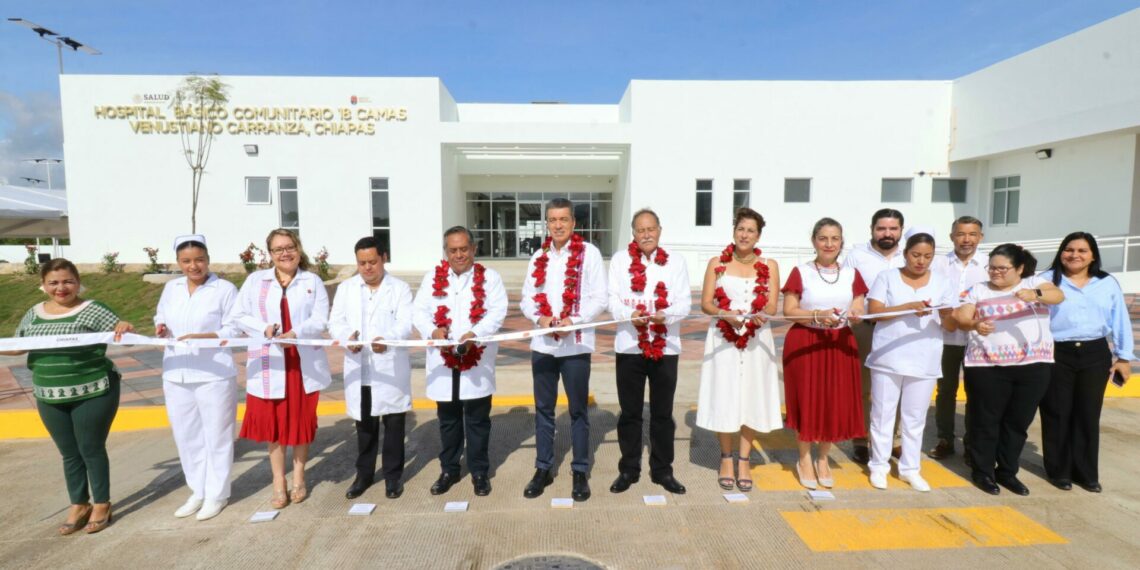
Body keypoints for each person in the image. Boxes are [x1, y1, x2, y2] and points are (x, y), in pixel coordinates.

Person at [3, 259, 134, 534]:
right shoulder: (34, 313)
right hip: (48, 394)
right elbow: (18, 346)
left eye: (67, 281)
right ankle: (79, 503)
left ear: (77, 282)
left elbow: (122, 333)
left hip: (93, 390)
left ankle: (101, 503)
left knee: (90, 448)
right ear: (43, 285)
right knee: (69, 453)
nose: (61, 288)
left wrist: (124, 326)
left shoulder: (93, 309)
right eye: (53, 282)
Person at [231, 228, 331, 509]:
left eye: (289, 247)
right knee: (273, 424)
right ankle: (279, 480)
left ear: (298, 249)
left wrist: (296, 333)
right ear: (270, 254)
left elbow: (321, 319)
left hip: (300, 362)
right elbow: (238, 315)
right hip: (269, 360)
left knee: (299, 421)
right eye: (278, 249)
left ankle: (299, 475)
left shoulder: (312, 281)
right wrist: (264, 329)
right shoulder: (255, 281)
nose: (285, 253)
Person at [954, 243, 1063, 496]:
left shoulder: (1034, 282)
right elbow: (962, 316)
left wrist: (1035, 294)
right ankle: (983, 472)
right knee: (986, 421)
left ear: (1020, 268)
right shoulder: (978, 289)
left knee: (1017, 422)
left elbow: (1057, 295)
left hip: (1032, 365)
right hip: (987, 366)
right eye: (992, 268)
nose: (995, 273)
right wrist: (974, 324)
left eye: (1003, 269)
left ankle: (1007, 471)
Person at [519, 198, 608, 502]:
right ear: (547, 223)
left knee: (578, 410)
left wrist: (573, 320)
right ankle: (543, 467)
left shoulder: (589, 254)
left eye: (564, 219)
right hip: (543, 344)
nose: (558, 225)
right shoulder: (538, 256)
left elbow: (600, 298)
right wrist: (540, 317)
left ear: (573, 223)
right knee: (544, 409)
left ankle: (580, 470)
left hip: (575, 345)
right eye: (553, 220)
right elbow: (527, 298)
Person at [412, 226, 508, 497]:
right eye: (452, 250)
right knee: (448, 420)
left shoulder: (490, 278)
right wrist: (433, 331)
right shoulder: (433, 277)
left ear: (473, 249)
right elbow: (419, 311)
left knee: (478, 421)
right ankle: (449, 469)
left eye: (463, 249)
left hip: (475, 359)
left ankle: (479, 471)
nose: (459, 254)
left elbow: (497, 311)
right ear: (446, 252)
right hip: (443, 362)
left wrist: (474, 334)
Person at [1039, 232, 1134, 493]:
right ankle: (1059, 471)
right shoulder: (1045, 281)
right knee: (1057, 412)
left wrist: (1124, 357)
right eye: (1069, 249)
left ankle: (1086, 473)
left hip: (1094, 353)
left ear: (1093, 255)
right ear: (1061, 252)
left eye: (1082, 250)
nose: (1075, 255)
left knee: (1088, 413)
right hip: (1056, 351)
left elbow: (1120, 320)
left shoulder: (1106, 283)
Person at [695, 207, 781, 492]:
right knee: (726, 394)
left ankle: (745, 459)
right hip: (724, 337)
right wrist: (724, 313)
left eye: (751, 231)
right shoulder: (716, 263)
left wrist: (761, 315)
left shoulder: (770, 264)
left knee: (752, 396)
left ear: (758, 236)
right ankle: (726, 458)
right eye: (741, 229)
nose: (745, 235)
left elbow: (770, 305)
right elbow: (706, 303)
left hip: (757, 339)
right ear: (734, 231)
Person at [154, 235, 239, 521]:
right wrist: (161, 327)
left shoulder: (224, 289)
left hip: (214, 373)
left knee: (217, 435)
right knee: (187, 436)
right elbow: (160, 316)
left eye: (199, 260)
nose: (194, 266)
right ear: (178, 263)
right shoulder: (171, 288)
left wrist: (208, 336)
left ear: (208, 259)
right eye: (187, 261)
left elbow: (235, 329)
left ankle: (217, 494)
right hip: (176, 372)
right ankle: (198, 491)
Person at [607, 208, 692, 495]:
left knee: (663, 414)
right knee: (630, 413)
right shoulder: (620, 261)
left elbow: (684, 303)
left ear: (659, 230)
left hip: (665, 347)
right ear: (633, 233)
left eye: (651, 229)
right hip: (629, 347)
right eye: (640, 230)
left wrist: (663, 316)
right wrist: (630, 314)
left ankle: (662, 471)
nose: (646, 234)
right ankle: (629, 469)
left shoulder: (675, 262)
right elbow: (613, 299)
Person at [865, 230, 955, 491]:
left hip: (925, 359)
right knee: (882, 414)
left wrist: (952, 315)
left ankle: (910, 468)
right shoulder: (887, 277)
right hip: (887, 357)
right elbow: (875, 313)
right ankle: (879, 465)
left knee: (915, 418)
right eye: (916, 255)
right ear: (905, 254)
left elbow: (948, 323)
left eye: (927, 256)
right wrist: (908, 307)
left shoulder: (942, 282)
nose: (921, 261)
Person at [781, 218, 867, 489]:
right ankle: (804, 457)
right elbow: (789, 311)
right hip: (806, 342)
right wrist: (817, 315)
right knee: (807, 400)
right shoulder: (801, 272)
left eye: (835, 239)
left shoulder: (853, 274)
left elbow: (858, 308)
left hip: (839, 343)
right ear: (814, 241)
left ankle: (823, 458)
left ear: (842, 242)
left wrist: (856, 316)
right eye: (823, 238)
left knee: (832, 401)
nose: (829, 244)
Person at [329, 236, 414, 500]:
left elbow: (405, 323)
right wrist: (348, 338)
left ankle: (392, 477)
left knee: (394, 424)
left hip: (389, 367)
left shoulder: (399, 288)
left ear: (384, 258)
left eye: (372, 262)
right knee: (365, 427)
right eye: (362, 263)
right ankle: (363, 475)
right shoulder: (347, 289)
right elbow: (336, 322)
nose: (367, 268)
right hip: (360, 366)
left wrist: (386, 339)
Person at [843, 208, 905, 464]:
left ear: (901, 230)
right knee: (864, 388)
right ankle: (860, 439)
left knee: (898, 385)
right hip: (866, 329)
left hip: (901, 331)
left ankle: (894, 439)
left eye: (893, 228)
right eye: (881, 228)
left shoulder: (910, 255)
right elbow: (847, 291)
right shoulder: (857, 256)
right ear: (872, 230)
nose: (887, 233)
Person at [928, 216, 988, 461]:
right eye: (961, 234)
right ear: (952, 236)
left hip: (979, 339)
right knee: (946, 390)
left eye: (972, 234)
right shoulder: (938, 264)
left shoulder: (988, 264)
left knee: (977, 392)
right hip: (946, 338)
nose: (966, 239)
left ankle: (973, 443)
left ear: (980, 237)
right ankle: (945, 439)